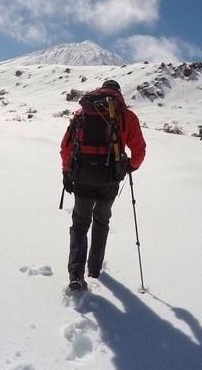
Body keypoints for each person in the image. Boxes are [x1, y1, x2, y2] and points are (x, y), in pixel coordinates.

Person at [60, 79, 146, 291]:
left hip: (81, 176)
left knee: (80, 222)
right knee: (101, 220)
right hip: (109, 179)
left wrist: (65, 172)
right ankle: (95, 268)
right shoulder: (126, 116)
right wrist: (130, 167)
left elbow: (66, 147)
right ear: (118, 93)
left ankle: (76, 274)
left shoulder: (82, 113)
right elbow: (139, 150)